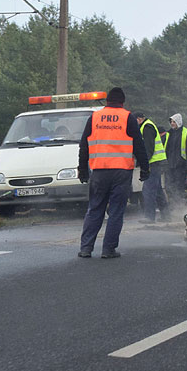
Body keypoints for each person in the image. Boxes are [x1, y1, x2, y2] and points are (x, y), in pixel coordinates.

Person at [77, 87, 149, 258]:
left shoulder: (94, 117)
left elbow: (84, 146)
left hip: (99, 171)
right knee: (116, 211)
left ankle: (86, 248)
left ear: (107, 101)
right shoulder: (127, 117)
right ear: (122, 102)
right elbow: (139, 145)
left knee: (95, 209)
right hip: (121, 172)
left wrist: (82, 169)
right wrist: (145, 168)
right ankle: (108, 250)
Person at [134, 112, 171, 223]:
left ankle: (150, 217)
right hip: (155, 162)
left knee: (148, 190)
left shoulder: (147, 127)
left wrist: (144, 163)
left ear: (139, 119)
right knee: (158, 190)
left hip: (152, 163)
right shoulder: (146, 126)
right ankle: (166, 215)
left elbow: (148, 147)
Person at [164, 113, 187, 205]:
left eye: (174, 122)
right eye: (171, 122)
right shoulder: (169, 133)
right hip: (170, 165)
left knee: (179, 187)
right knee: (169, 187)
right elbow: (166, 149)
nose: (172, 124)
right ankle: (173, 205)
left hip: (180, 166)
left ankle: (180, 206)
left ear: (179, 122)